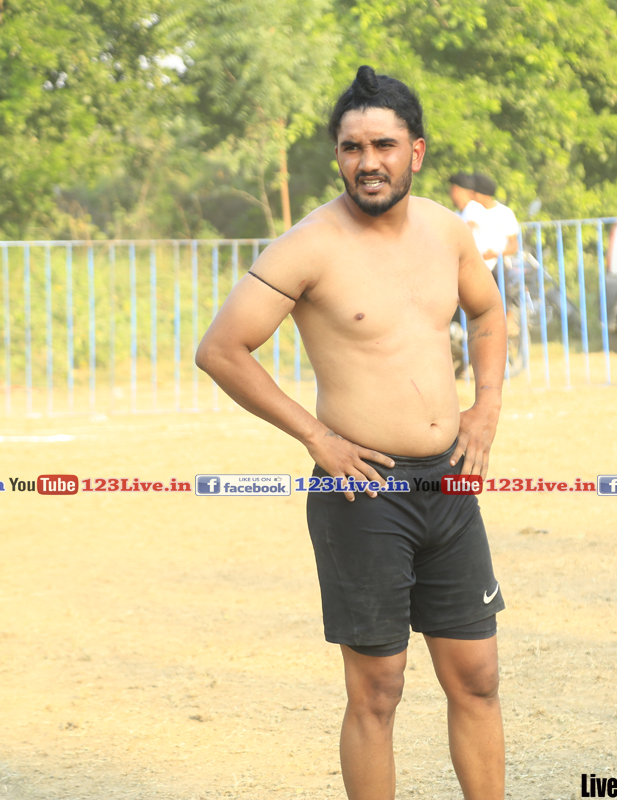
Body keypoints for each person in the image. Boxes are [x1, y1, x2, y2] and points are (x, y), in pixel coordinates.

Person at [195, 65, 508, 800]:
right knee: (378, 690)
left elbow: (488, 312)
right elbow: (221, 350)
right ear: (337, 156)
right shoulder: (308, 246)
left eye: (384, 145)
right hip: (363, 493)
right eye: (352, 147)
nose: (368, 161)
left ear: (416, 152)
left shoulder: (447, 231)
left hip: (450, 484)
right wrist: (317, 438)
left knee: (478, 677)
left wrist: (486, 406)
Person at [449, 172, 505, 269]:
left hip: (487, 268)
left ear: (455, 189)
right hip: (473, 266)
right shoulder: (458, 213)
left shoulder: (474, 208)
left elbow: (465, 232)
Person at [473, 173, 521, 270]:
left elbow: (514, 246)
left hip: (497, 267)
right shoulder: (471, 212)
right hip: (476, 266)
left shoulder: (504, 213)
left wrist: (494, 254)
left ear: (482, 194)